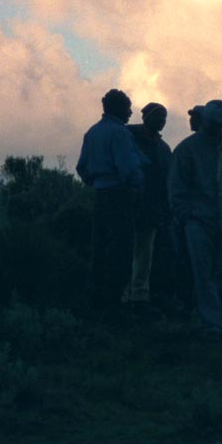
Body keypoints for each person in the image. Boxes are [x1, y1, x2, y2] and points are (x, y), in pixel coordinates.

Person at [169, 99, 222, 340]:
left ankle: (218, 315)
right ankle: (212, 324)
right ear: (207, 122)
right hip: (199, 222)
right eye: (217, 124)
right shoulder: (186, 149)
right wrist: (187, 217)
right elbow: (176, 189)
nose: (220, 129)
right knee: (203, 274)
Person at [76, 89, 145, 320]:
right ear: (117, 108)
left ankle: (96, 300)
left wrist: (95, 183)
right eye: (127, 107)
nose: (130, 112)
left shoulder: (92, 132)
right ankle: (114, 304)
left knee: (100, 248)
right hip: (120, 195)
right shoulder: (120, 133)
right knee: (121, 250)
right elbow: (128, 167)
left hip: (100, 195)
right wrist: (137, 186)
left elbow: (82, 167)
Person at [123, 102, 173, 318]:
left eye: (164, 118)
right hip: (129, 204)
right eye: (158, 116)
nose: (162, 121)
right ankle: (126, 295)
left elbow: (166, 181)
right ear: (146, 117)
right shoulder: (129, 137)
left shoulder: (162, 148)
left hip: (151, 208)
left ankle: (138, 296)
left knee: (144, 254)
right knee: (129, 251)